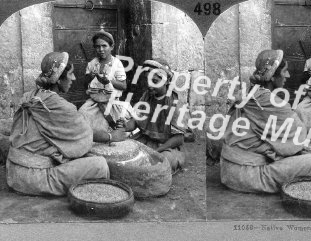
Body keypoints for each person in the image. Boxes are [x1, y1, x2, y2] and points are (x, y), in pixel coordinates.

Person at [219, 50, 311, 194]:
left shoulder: (251, 92)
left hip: (229, 170)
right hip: (246, 175)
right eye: (284, 71)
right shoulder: (270, 102)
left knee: (290, 150)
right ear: (272, 76)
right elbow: (299, 133)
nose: (288, 75)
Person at [6, 52, 110, 196]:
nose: (73, 78)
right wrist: (111, 136)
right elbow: (85, 136)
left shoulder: (31, 96)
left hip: (13, 172)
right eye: (70, 74)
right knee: (100, 165)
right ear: (59, 80)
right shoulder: (60, 106)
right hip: (35, 178)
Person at [123, 59, 186, 173]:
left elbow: (179, 138)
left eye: (155, 81)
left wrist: (157, 151)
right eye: (148, 80)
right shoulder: (147, 96)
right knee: (124, 152)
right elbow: (136, 121)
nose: (150, 85)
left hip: (166, 146)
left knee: (161, 164)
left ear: (166, 81)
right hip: (146, 140)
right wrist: (123, 126)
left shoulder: (174, 102)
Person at [80, 30, 131, 131]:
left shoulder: (117, 63)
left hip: (112, 103)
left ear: (111, 47)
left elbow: (123, 86)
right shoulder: (92, 64)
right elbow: (85, 85)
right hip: (94, 103)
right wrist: (91, 76)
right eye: (97, 46)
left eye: (104, 46)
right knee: (81, 117)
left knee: (119, 127)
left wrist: (108, 80)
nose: (101, 49)